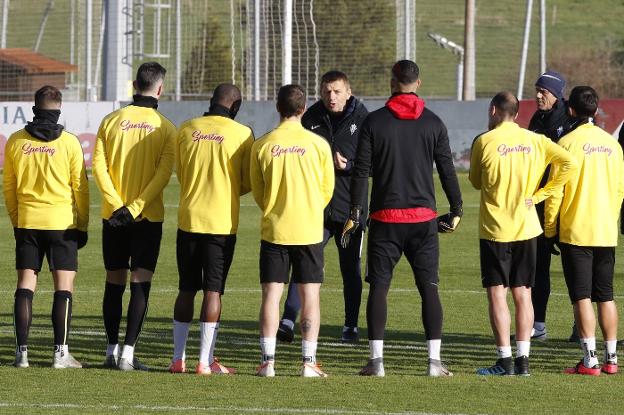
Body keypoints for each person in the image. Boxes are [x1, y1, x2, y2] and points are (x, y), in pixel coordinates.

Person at [342, 60, 462, 377]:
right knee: (429, 288)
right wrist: (457, 208)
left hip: (386, 218)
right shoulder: (434, 123)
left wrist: (356, 211)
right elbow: (447, 169)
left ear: (392, 82)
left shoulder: (374, 122)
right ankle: (434, 363)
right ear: (418, 83)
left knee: (379, 288)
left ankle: (376, 362)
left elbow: (361, 173)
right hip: (423, 221)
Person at [470, 91, 577, 376]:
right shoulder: (536, 140)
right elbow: (569, 163)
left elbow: (476, 182)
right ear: (517, 114)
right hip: (528, 228)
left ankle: (504, 360)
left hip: (495, 229)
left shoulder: (484, 141)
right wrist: (542, 194)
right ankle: (524, 361)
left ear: (493, 110)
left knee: (496, 293)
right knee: (523, 294)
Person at [93, 62, 176, 371]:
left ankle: (110, 352)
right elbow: (163, 175)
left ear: (133, 85)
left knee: (114, 281)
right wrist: (136, 207)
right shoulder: (165, 127)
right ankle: (128, 353)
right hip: (147, 218)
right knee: (141, 282)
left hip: (113, 217)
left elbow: (98, 168)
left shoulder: (110, 121)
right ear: (159, 89)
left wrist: (118, 205)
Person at [277, 71, 368, 344]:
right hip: (314, 207)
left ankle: (350, 326)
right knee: (304, 264)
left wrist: (349, 165)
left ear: (348, 92)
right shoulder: (311, 117)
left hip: (351, 209)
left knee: (350, 268)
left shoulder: (364, 119)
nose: (331, 96)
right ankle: (287, 321)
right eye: (327, 91)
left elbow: (374, 163)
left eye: (337, 91)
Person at [168, 84, 253, 375]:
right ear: (236, 105)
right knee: (213, 291)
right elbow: (248, 181)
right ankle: (205, 361)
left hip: (189, 219)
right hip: (221, 223)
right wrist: (227, 189)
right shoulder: (242, 134)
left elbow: (181, 171)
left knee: (186, 289)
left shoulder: (187, 128)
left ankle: (178, 359)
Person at [250, 84, 334, 377]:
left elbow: (258, 193)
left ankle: (268, 362)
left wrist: (275, 208)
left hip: (275, 230)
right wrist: (309, 209)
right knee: (310, 297)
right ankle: (308, 363)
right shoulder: (320, 145)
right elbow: (327, 191)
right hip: (310, 231)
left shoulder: (262, 145)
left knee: (271, 296)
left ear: (277, 107)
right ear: (303, 108)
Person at [4, 85, 89, 369]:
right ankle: (60, 354)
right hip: (62, 224)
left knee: (25, 286)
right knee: (63, 288)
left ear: (34, 109)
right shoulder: (70, 143)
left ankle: (22, 354)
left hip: (28, 221)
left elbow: (9, 188)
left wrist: (17, 220)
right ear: (59, 110)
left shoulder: (15, 141)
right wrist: (82, 225)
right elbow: (81, 189)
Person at [544, 86, 624, 375]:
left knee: (581, 296)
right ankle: (612, 359)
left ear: (571, 110)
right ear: (596, 109)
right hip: (604, 229)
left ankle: (590, 360)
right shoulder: (613, 145)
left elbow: (555, 192)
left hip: (576, 230)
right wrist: (609, 220)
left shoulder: (566, 143)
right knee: (606, 295)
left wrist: (550, 228)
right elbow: (619, 191)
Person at [527, 70, 576, 341]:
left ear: (556, 94)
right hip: (538, 204)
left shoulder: (568, 120)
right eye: (537, 89)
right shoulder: (537, 118)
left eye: (543, 91)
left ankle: (581, 326)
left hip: (565, 203)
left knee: (575, 267)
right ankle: (539, 325)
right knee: (538, 267)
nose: (538, 95)